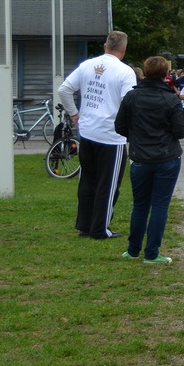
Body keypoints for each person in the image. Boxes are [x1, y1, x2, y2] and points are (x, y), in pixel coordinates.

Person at [57, 29, 136, 240]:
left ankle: (85, 224)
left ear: (105, 46)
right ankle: (100, 228)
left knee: (88, 180)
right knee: (108, 184)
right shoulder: (125, 71)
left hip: (88, 130)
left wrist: (75, 113)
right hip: (111, 134)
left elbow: (64, 89)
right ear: (124, 49)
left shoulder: (87, 65)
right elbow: (129, 102)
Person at [114, 55, 184, 264]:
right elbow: (181, 131)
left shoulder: (132, 97)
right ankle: (152, 253)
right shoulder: (171, 99)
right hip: (167, 157)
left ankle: (133, 249)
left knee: (140, 205)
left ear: (145, 72)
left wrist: (136, 137)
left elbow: (119, 126)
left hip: (140, 158)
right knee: (160, 205)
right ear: (166, 74)